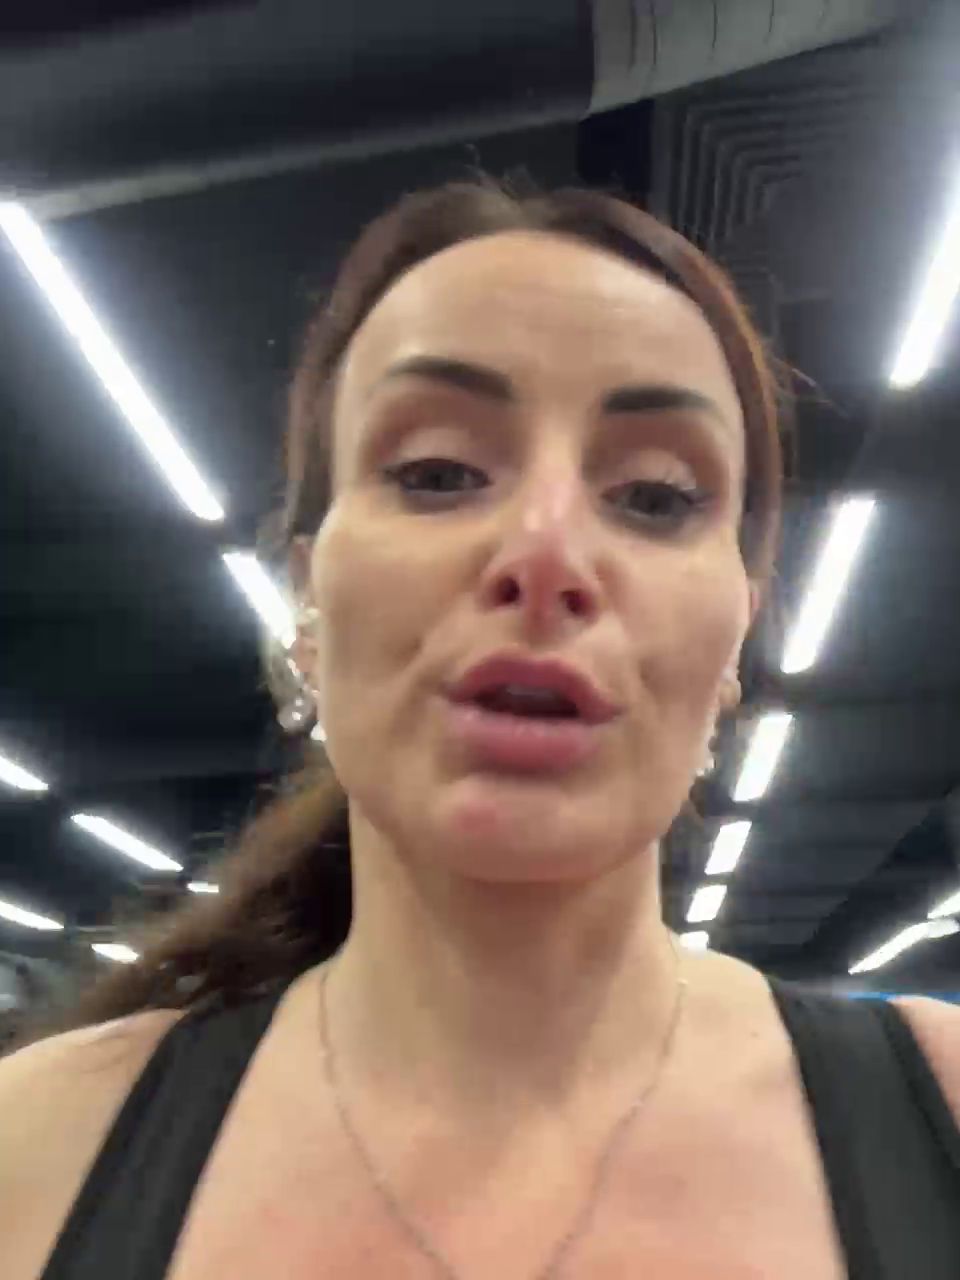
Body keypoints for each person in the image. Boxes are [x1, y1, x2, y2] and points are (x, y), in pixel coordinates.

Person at [2, 178, 959, 1280]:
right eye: (437, 473)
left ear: (737, 630)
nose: (546, 550)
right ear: (307, 605)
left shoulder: (938, 1111)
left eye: (655, 495)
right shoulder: (36, 1152)